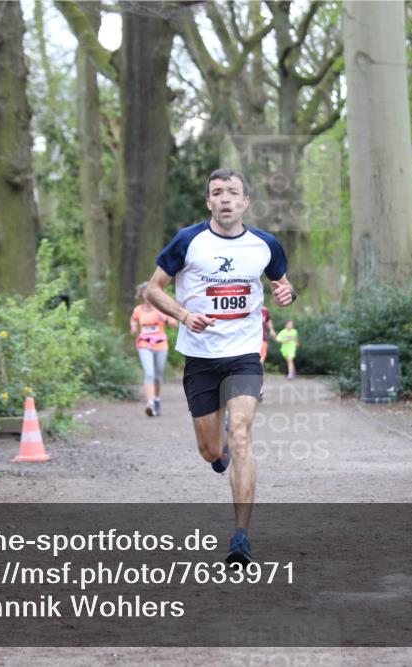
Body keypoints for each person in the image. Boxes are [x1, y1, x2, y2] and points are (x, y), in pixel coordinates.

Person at [144, 168, 296, 565]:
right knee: (210, 449)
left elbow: (283, 285)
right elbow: (152, 289)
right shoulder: (188, 241)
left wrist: (287, 292)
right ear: (208, 202)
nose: (225, 199)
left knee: (242, 433)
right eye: (217, 193)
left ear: (245, 202)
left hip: (244, 354)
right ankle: (220, 452)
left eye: (233, 192)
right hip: (200, 357)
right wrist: (182, 314)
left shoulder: (266, 245)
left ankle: (241, 537)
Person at [130, 282, 176, 417]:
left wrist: (165, 319)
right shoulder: (138, 309)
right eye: (145, 293)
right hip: (144, 344)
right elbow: (133, 319)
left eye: (150, 293)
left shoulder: (161, 309)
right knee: (149, 373)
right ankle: (149, 403)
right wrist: (133, 326)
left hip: (161, 345)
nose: (147, 295)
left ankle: (156, 400)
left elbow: (175, 324)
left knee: (158, 375)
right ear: (142, 295)